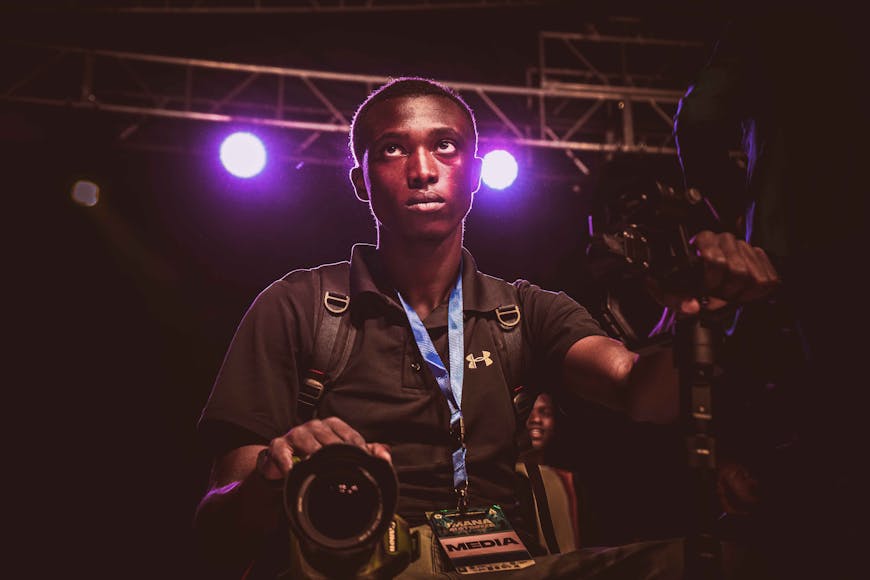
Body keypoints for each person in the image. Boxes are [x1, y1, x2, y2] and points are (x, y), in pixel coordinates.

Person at [193, 76, 778, 579]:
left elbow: (641, 392)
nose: (423, 170)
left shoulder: (521, 311)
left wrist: (697, 314)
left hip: (509, 569)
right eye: (393, 149)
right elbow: (216, 534)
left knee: (727, 562)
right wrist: (273, 475)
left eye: (444, 146)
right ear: (361, 181)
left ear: (474, 172)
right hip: (358, 567)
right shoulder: (299, 308)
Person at [673, 6, 865, 580]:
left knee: (810, 456)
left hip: (800, 258)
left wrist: (738, 219)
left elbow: (700, 120)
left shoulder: (781, 17)